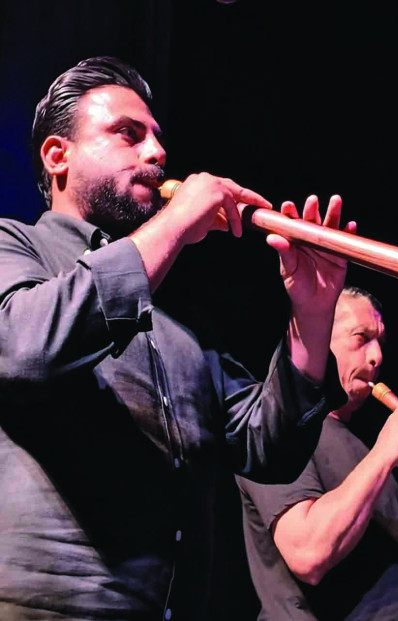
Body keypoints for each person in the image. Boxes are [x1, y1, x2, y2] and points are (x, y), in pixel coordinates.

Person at [0, 56, 349, 619]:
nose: (157, 153)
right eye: (128, 134)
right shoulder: (15, 246)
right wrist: (176, 224)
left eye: (158, 138)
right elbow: (23, 348)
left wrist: (312, 312)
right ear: (58, 156)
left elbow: (268, 448)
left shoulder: (179, 317)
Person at [237, 287, 398, 620]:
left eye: (380, 342)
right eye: (361, 338)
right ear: (320, 337)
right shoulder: (275, 424)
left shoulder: (363, 447)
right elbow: (308, 554)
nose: (377, 356)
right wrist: (384, 454)